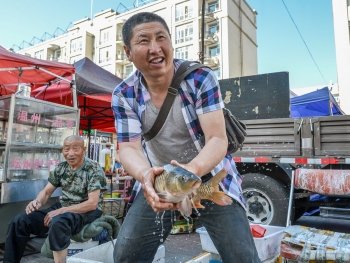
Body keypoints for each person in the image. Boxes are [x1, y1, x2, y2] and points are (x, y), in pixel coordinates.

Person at [111, 12, 260, 263]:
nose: (155, 48)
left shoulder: (199, 78)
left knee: (242, 256)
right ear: (127, 52)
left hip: (209, 175)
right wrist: (146, 176)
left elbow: (217, 139)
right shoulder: (124, 94)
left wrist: (191, 171)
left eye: (161, 38)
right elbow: (128, 148)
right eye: (144, 41)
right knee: (126, 255)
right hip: (157, 182)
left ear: (171, 41)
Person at [3, 135, 107, 263]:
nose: (70, 153)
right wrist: (37, 202)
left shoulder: (93, 169)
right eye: (67, 149)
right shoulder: (61, 168)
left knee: (58, 222)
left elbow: (92, 204)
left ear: (83, 150)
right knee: (20, 220)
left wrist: (61, 211)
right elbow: (47, 191)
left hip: (87, 210)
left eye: (75, 149)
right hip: (64, 207)